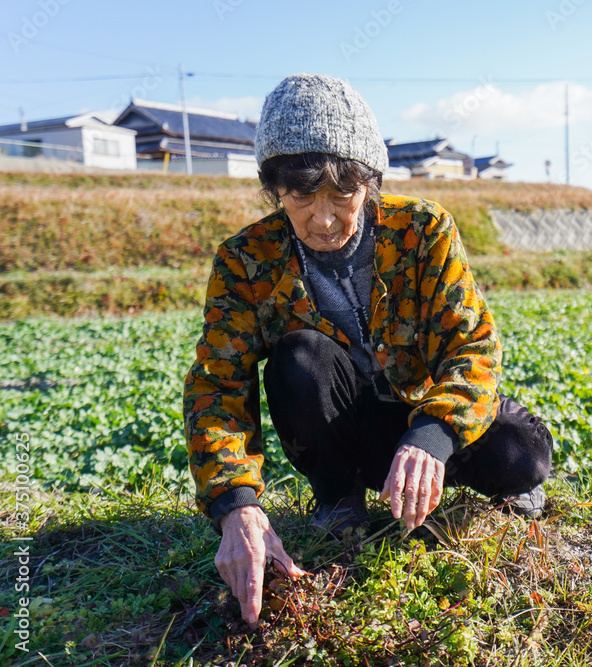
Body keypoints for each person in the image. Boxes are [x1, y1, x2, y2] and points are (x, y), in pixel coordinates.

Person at [183, 74, 553, 628]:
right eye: (301, 196)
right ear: (275, 188)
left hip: (424, 422)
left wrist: (431, 437)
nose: (323, 218)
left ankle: (469, 474)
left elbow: (472, 346)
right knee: (299, 357)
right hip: (349, 434)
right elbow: (217, 387)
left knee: (521, 454)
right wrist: (234, 503)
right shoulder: (246, 260)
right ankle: (339, 500)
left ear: (371, 183)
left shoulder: (423, 230)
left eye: (343, 195)